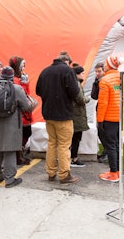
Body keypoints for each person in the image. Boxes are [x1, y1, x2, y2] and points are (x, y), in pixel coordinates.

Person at [36, 51, 80, 184]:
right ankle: (64, 174)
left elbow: (38, 90)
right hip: (64, 114)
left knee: (52, 143)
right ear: (67, 62)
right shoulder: (68, 71)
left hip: (48, 114)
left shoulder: (45, 71)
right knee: (64, 145)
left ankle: (51, 173)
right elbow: (75, 92)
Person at [0, 66, 30, 188]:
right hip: (12, 124)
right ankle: (9, 180)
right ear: (11, 77)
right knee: (9, 151)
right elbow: (26, 107)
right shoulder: (16, 89)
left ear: (1, 76)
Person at [97, 56, 124, 182]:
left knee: (110, 146)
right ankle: (117, 170)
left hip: (108, 118)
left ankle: (113, 173)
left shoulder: (105, 80)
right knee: (117, 144)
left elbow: (103, 103)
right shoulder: (123, 78)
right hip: (120, 117)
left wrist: (100, 120)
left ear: (108, 65)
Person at [9, 56, 32, 165]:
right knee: (23, 133)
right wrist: (24, 83)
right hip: (20, 112)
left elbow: (26, 93)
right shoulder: (14, 80)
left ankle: (19, 154)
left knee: (26, 133)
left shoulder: (19, 78)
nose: (24, 68)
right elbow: (21, 95)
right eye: (22, 66)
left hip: (24, 111)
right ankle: (18, 155)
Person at [70, 65, 90, 167]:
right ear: (77, 74)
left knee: (74, 138)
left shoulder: (74, 83)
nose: (83, 74)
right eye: (82, 73)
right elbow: (81, 99)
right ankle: (74, 158)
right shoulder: (76, 84)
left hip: (75, 115)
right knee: (76, 138)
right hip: (77, 115)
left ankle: (72, 157)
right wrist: (88, 98)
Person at [91, 62, 108, 163]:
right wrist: (95, 82)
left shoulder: (109, 81)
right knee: (101, 132)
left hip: (109, 111)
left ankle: (108, 153)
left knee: (107, 133)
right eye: (96, 71)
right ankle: (106, 152)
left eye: (99, 71)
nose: (97, 73)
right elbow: (94, 96)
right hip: (100, 110)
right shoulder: (98, 82)